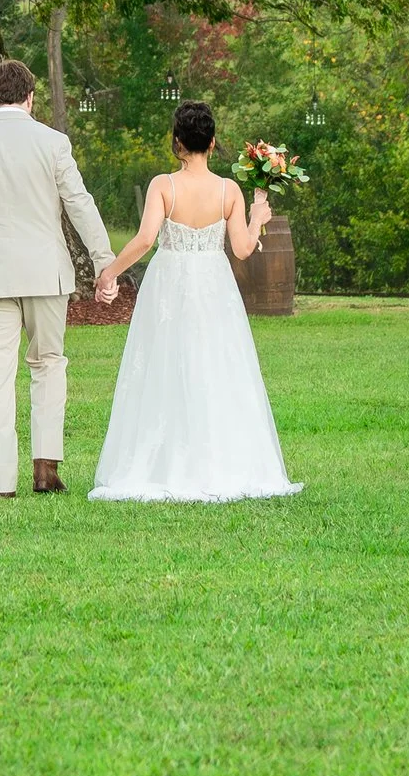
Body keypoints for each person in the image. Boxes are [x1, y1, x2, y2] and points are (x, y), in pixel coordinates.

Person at [90, 101, 303, 503]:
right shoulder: (228, 190)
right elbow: (241, 248)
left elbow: (145, 240)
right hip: (213, 286)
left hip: (169, 284)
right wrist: (258, 217)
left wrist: (111, 271)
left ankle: (161, 461)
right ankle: (220, 460)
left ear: (177, 143)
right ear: (213, 142)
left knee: (164, 365)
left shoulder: (163, 186)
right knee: (215, 363)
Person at [0, 55, 114, 497]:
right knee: (48, 365)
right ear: (31, 98)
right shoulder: (53, 142)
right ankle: (45, 469)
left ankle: (3, 483)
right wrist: (103, 260)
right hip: (45, 274)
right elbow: (80, 203)